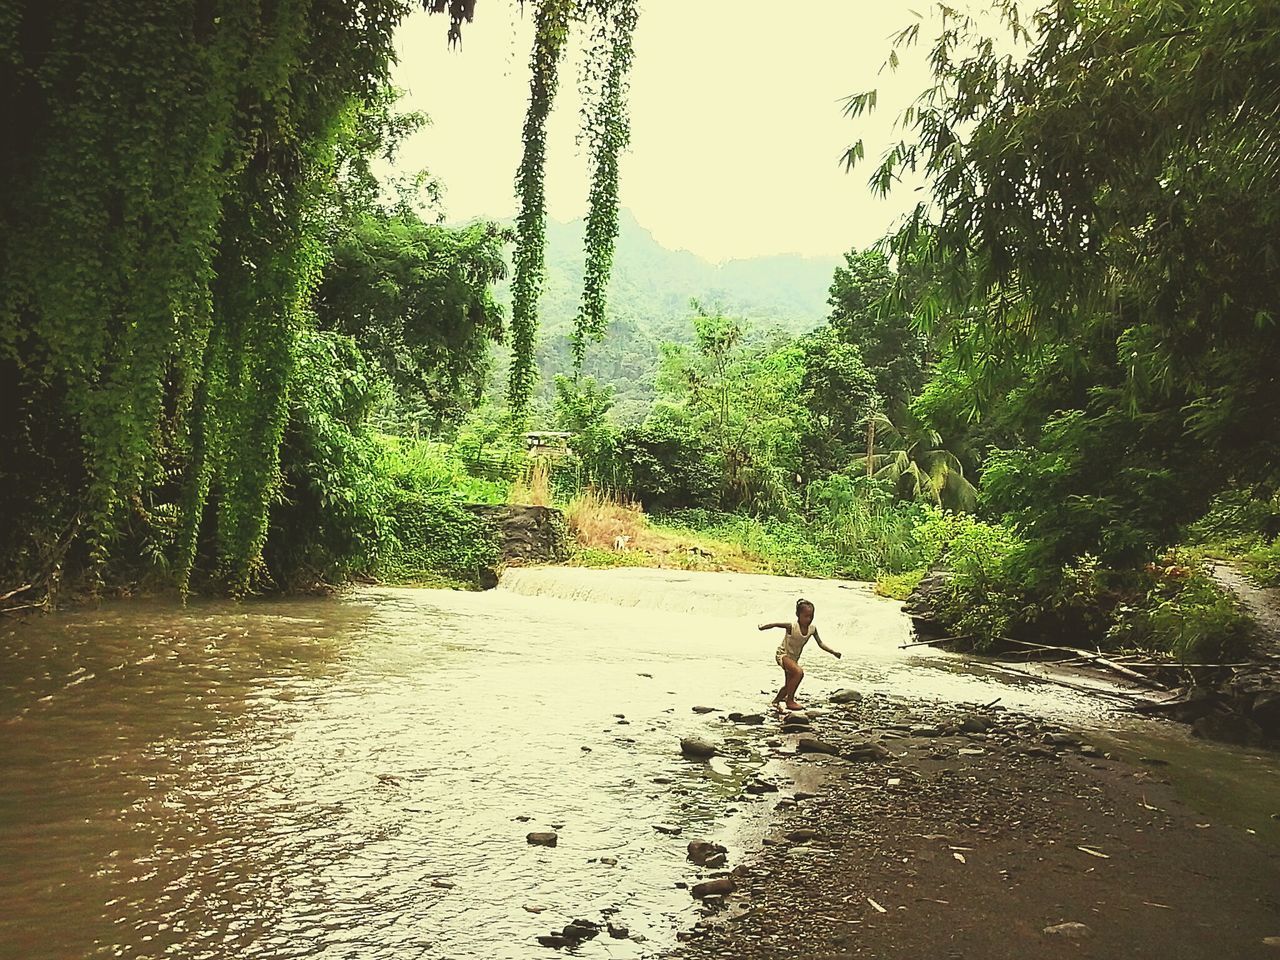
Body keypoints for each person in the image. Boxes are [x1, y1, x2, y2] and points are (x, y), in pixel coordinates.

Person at [758, 598, 841, 713]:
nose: (809, 619)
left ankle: (775, 701)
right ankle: (790, 701)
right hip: (783, 655)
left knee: (789, 685)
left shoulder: (812, 629)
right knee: (799, 672)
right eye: (806, 616)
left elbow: (820, 643)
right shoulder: (792, 626)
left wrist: (833, 652)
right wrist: (762, 627)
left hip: (794, 658)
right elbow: (776, 624)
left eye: (811, 616)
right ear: (798, 615)